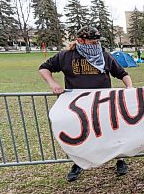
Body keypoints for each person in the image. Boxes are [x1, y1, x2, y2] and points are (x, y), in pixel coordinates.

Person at [38, 26, 133, 182]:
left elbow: (122, 74)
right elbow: (44, 68)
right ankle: (78, 163)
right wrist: (52, 83)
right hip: (78, 107)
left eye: (98, 41)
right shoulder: (66, 56)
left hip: (102, 104)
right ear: (81, 40)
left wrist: (129, 87)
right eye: (92, 41)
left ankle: (120, 160)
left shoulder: (104, 56)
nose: (96, 44)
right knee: (81, 134)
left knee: (111, 131)